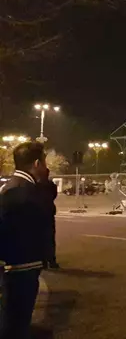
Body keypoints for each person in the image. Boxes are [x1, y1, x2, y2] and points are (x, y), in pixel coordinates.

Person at [0, 142, 56, 338]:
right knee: (16, 323)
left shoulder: (16, 186)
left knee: (15, 320)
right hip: (20, 267)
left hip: (20, 265)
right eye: (44, 162)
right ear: (36, 163)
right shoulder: (22, 189)